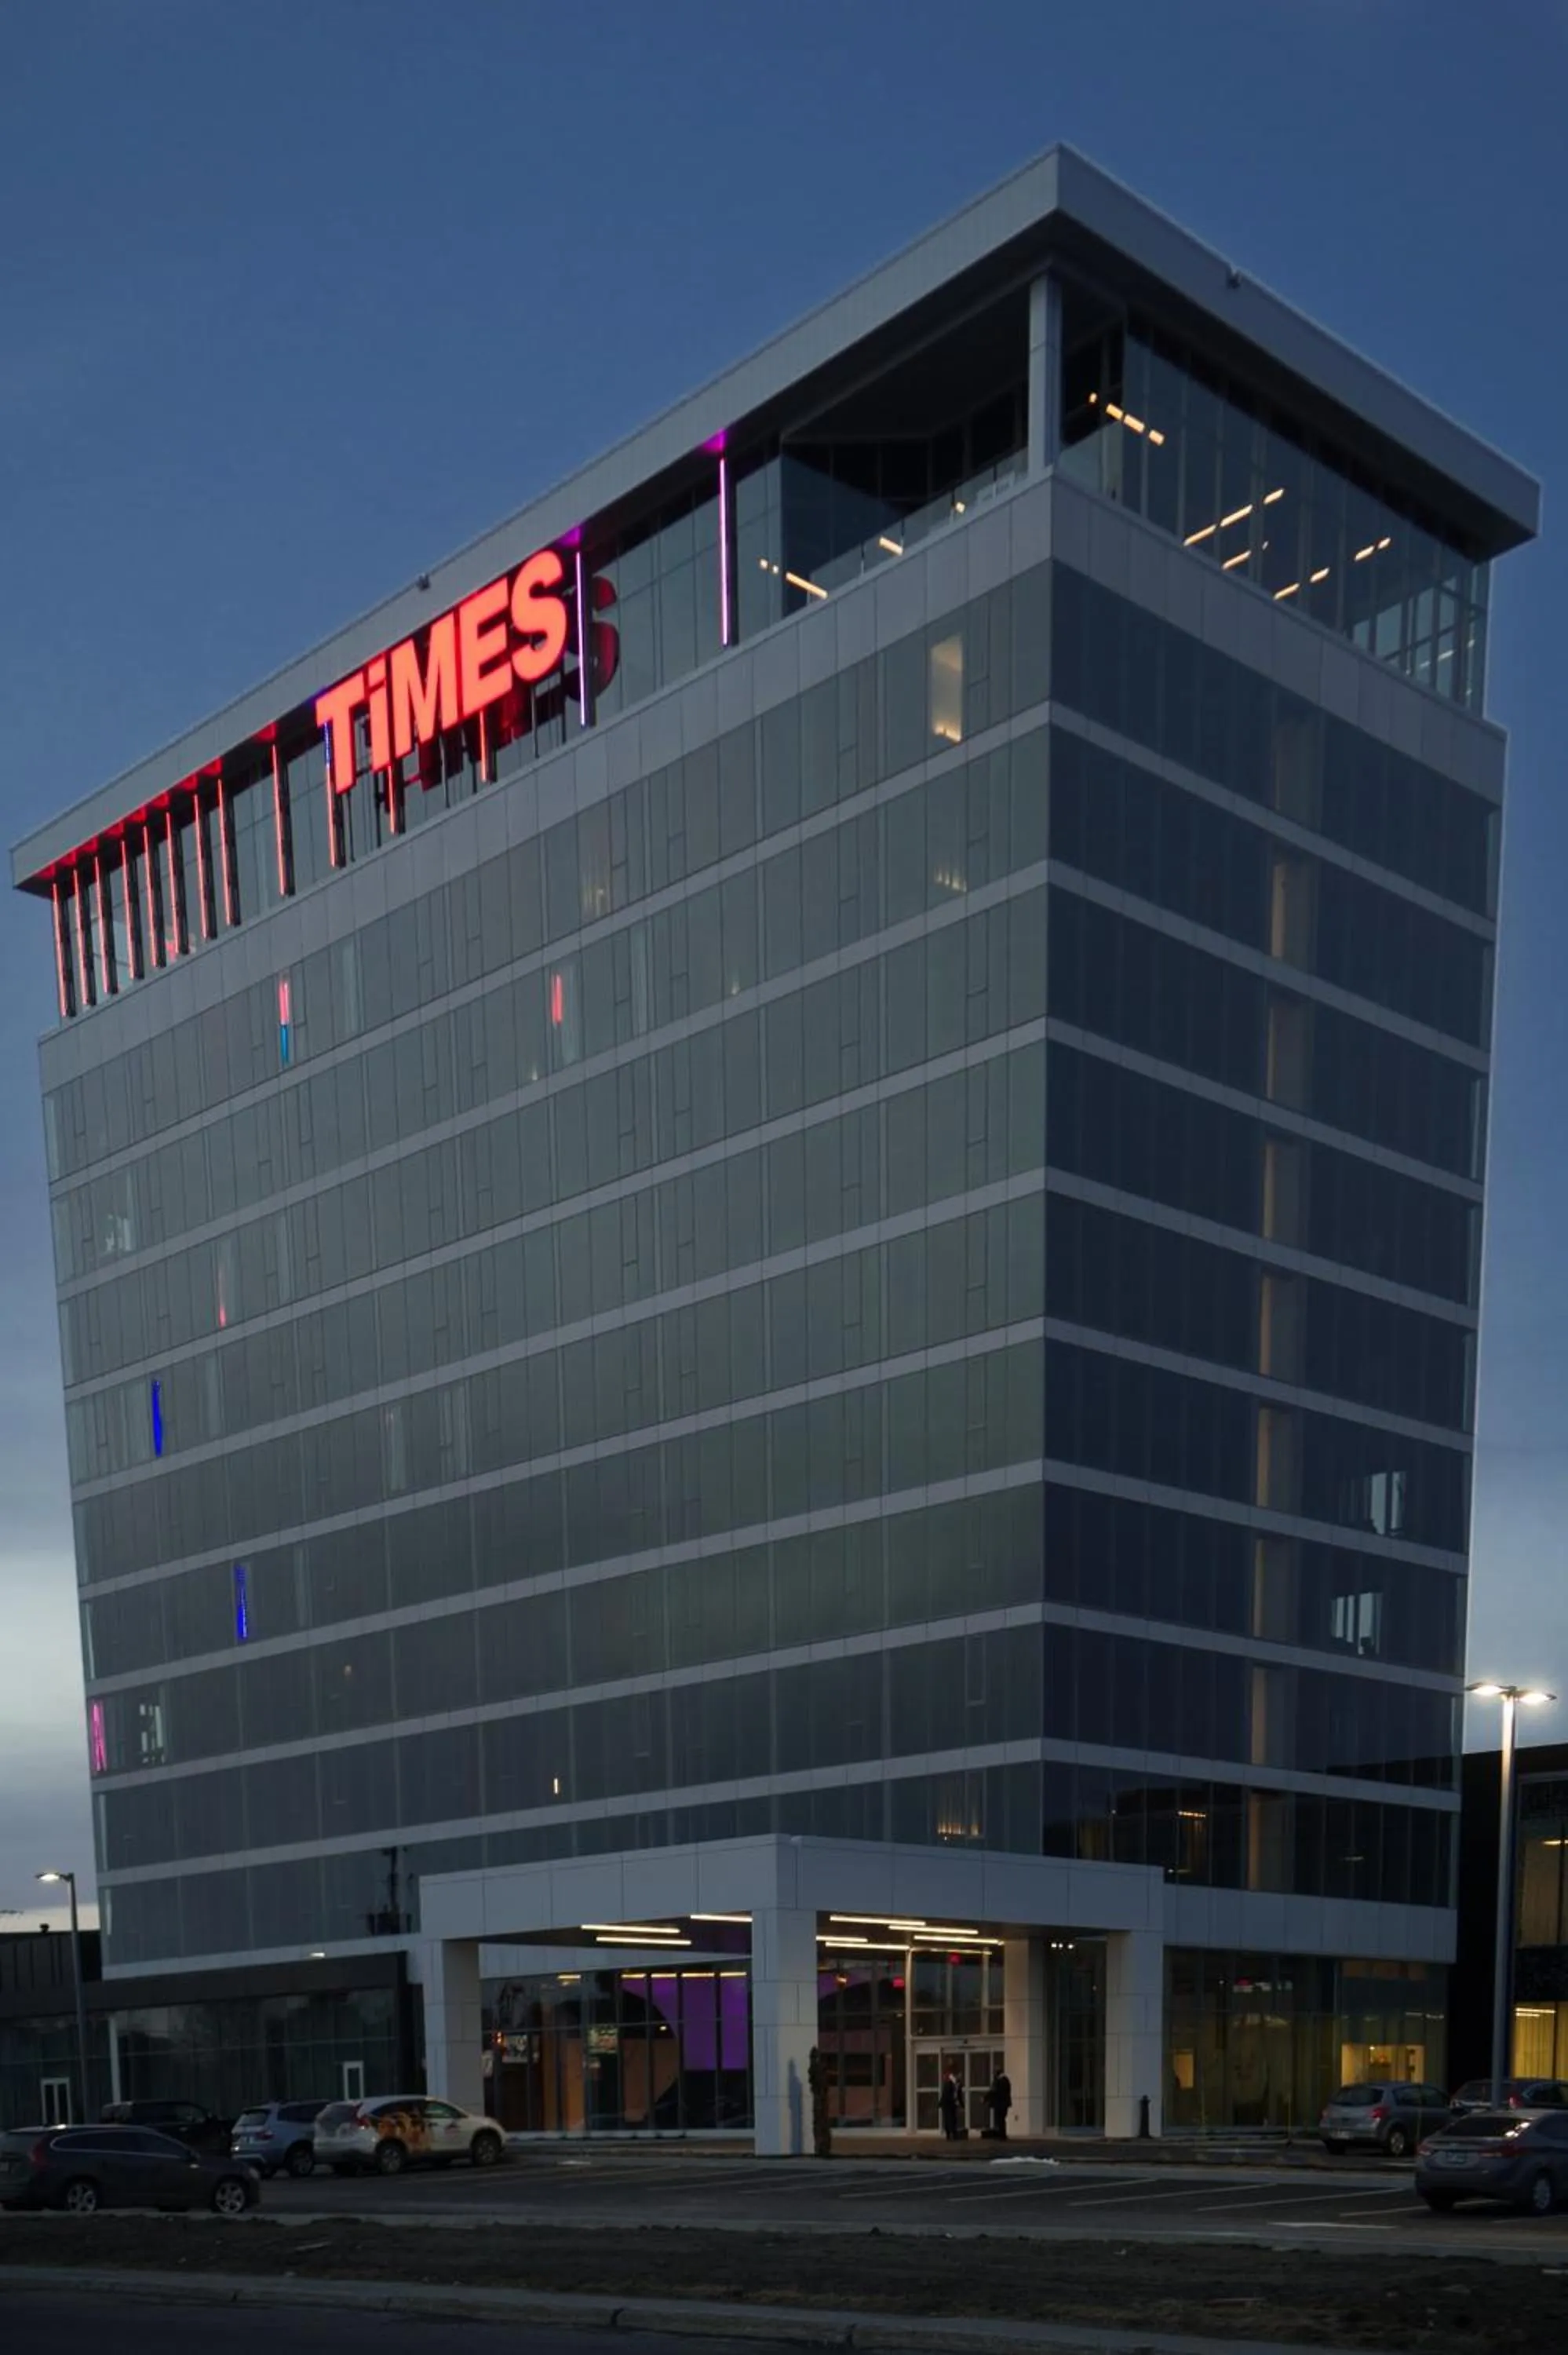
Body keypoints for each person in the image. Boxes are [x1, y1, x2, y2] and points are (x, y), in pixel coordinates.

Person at [808, 2044, 832, 2159]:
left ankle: (823, 2147)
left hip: (820, 2099)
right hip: (819, 2098)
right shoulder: (815, 2069)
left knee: (821, 2123)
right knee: (819, 2123)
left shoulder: (819, 2069)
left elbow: (818, 2083)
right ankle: (821, 2147)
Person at [986, 2066, 1012, 2141]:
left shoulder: (999, 2081)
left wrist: (986, 2098)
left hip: (999, 2103)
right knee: (1002, 2119)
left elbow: (994, 2091)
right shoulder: (1006, 2080)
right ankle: (1002, 2134)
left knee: (999, 2119)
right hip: (1004, 2103)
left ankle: (1001, 2135)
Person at [939, 2067, 964, 2141]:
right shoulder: (950, 2083)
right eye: (959, 2075)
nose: (960, 2077)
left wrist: (961, 2105)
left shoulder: (957, 2084)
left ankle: (953, 2134)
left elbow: (958, 2095)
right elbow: (947, 2094)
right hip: (948, 2104)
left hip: (952, 2104)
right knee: (948, 2119)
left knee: (953, 2119)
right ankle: (949, 2135)